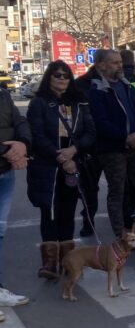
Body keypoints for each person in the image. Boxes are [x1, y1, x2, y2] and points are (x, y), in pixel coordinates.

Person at [27, 61, 96, 280]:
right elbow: (36, 135)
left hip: (74, 162)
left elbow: (90, 132)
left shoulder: (79, 102)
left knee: (67, 210)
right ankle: (49, 263)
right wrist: (60, 156)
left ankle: (68, 262)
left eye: (66, 75)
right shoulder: (39, 103)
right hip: (47, 166)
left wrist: (73, 151)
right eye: (57, 75)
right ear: (49, 77)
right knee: (49, 211)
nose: (62, 78)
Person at [87, 49, 135, 240]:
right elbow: (101, 123)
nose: (120, 66)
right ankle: (121, 235)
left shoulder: (128, 87)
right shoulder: (97, 91)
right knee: (117, 192)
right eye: (114, 63)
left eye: (120, 62)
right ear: (101, 66)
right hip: (113, 150)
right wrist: (125, 137)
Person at [0, 82, 31, 311]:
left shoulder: (2, 94)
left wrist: (23, 144)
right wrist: (10, 152)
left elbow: (19, 121)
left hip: (5, 172)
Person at [73, 64, 103, 237]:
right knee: (89, 187)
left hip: (114, 143)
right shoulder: (81, 84)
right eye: (114, 62)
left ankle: (126, 225)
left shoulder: (117, 82)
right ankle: (88, 221)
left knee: (120, 188)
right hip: (91, 146)